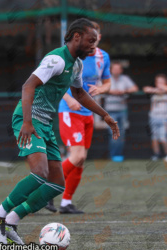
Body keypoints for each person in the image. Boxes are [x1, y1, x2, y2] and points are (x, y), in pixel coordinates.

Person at [0, 18, 120, 245]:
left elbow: (79, 94)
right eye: (90, 41)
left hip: (46, 124)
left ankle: (11, 219)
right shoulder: (56, 59)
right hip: (28, 120)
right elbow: (28, 85)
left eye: (95, 42)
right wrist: (27, 123)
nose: (93, 46)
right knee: (40, 173)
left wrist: (105, 115)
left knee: (57, 184)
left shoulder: (76, 64)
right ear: (76, 37)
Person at [45, 21, 111, 215]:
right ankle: (47, 190)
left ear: (99, 37)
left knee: (81, 160)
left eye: (95, 35)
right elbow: (55, 79)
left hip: (87, 113)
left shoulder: (102, 57)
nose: (92, 39)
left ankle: (66, 202)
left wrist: (101, 88)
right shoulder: (71, 55)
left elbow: (108, 83)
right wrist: (67, 98)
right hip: (69, 111)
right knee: (77, 155)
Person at [104, 61, 138, 162]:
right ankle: (113, 155)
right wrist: (113, 92)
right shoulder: (106, 79)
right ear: (111, 70)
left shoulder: (125, 79)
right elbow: (99, 89)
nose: (116, 71)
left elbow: (135, 88)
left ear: (121, 70)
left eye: (118, 69)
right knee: (113, 134)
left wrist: (124, 91)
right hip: (110, 111)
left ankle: (118, 156)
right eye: (114, 69)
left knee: (121, 135)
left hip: (122, 110)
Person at [143, 74, 167, 162]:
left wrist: (163, 88)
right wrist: (156, 90)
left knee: (163, 137)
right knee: (154, 137)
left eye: (161, 82)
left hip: (164, 117)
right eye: (158, 82)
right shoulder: (154, 91)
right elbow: (146, 89)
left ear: (165, 82)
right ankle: (156, 154)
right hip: (153, 117)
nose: (159, 83)